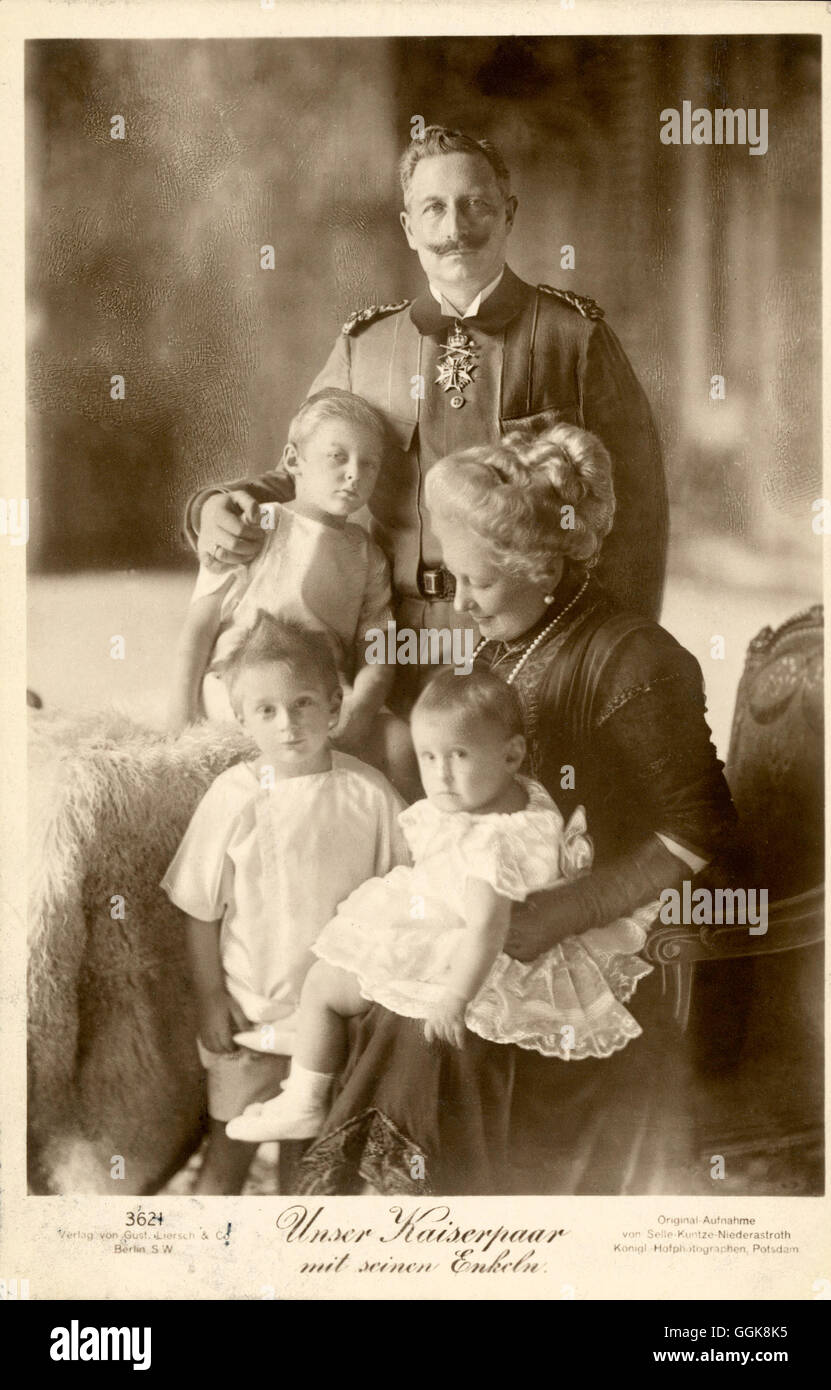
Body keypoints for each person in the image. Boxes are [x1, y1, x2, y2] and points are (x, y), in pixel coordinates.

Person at [290, 421, 737, 1196]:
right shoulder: (498, 645)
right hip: (499, 903)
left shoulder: (638, 659)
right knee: (373, 973)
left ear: (543, 564)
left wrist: (559, 914)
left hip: (599, 932)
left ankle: (418, 1226)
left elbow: (697, 832)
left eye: (480, 584)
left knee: (428, 1020)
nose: (459, 602)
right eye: (452, 578)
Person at [184, 125, 668, 714]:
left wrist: (615, 656)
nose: (455, 229)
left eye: (476, 206)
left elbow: (639, 515)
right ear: (409, 226)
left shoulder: (575, 337)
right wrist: (213, 505)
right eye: (433, 209)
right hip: (393, 641)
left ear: (508, 213)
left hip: (535, 636)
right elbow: (301, 470)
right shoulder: (366, 345)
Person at [225, 667, 663, 1145]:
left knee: (323, 983)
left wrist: (454, 999)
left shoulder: (487, 844)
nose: (442, 774)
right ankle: (307, 1091)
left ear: (512, 754)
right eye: (428, 757)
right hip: (453, 924)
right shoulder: (521, 799)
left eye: (459, 755)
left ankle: (305, 1100)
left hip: (462, 955)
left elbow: (485, 929)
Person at [160, 613, 409, 1193]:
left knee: (311, 1163)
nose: (288, 724)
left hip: (331, 1026)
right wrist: (210, 998)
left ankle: (298, 1265)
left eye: (303, 703)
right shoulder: (233, 797)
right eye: (266, 711)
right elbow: (200, 909)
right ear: (242, 718)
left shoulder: (368, 793)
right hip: (250, 1013)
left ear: (334, 703)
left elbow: (406, 889)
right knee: (230, 1153)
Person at [168, 387, 416, 796]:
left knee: (400, 744)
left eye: (369, 464)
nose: (355, 473)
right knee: (289, 764)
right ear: (293, 461)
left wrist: (362, 708)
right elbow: (199, 626)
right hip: (245, 683)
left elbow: (380, 649)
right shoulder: (256, 525)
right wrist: (180, 715)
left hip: (321, 693)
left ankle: (412, 849)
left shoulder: (367, 554)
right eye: (338, 457)